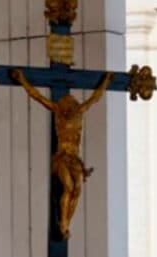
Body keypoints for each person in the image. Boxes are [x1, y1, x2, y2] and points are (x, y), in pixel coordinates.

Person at [11, 68, 114, 239]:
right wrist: (22, 79)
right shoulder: (57, 110)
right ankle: (64, 224)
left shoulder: (79, 111)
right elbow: (36, 96)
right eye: (66, 103)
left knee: (77, 191)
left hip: (75, 160)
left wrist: (106, 82)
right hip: (62, 158)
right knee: (68, 188)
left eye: (71, 104)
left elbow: (95, 98)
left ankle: (67, 221)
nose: (68, 106)